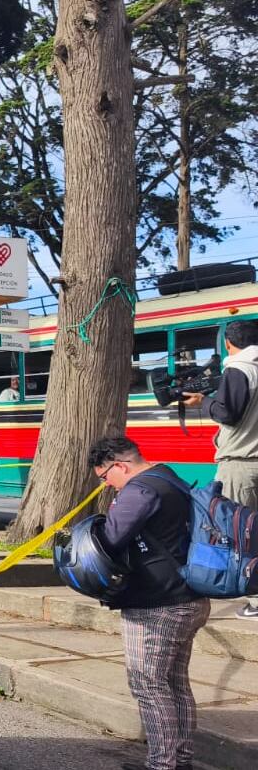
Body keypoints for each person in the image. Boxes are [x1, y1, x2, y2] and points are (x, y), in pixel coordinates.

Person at [87, 436, 210, 770]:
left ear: (120, 465)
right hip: (189, 596)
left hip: (157, 604)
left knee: (148, 684)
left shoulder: (139, 490)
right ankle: (181, 760)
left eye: (105, 477)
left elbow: (110, 539)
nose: (107, 485)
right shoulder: (169, 477)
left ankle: (161, 764)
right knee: (175, 683)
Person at [179, 319, 258, 620]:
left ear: (227, 343)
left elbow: (229, 414)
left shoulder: (239, 368)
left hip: (241, 463)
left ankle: (254, 597)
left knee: (239, 530)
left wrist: (204, 402)